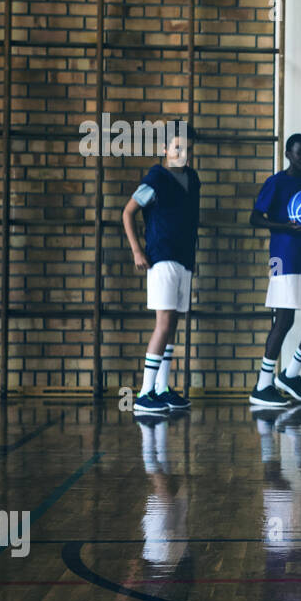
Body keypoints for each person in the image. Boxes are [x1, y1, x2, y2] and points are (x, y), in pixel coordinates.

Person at [248, 134, 301, 407]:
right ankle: (262, 385)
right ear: (287, 154)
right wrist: (287, 225)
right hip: (283, 258)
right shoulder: (276, 182)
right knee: (284, 321)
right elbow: (255, 218)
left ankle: (291, 375)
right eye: (299, 154)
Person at [122, 129, 200, 415]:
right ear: (165, 148)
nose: (182, 154)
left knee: (174, 324)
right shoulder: (155, 178)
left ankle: (161, 389)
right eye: (177, 147)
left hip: (184, 259)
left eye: (187, 149)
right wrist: (137, 251)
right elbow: (127, 212)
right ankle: (144, 394)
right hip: (162, 258)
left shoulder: (192, 179)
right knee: (163, 324)